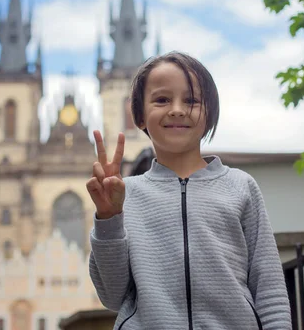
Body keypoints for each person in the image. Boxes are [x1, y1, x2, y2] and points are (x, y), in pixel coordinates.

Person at [86, 51, 292, 330]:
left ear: (209, 114)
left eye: (192, 100)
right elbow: (112, 296)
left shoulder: (241, 187)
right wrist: (109, 219)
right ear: (139, 116)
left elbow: (270, 289)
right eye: (161, 99)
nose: (177, 109)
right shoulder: (126, 196)